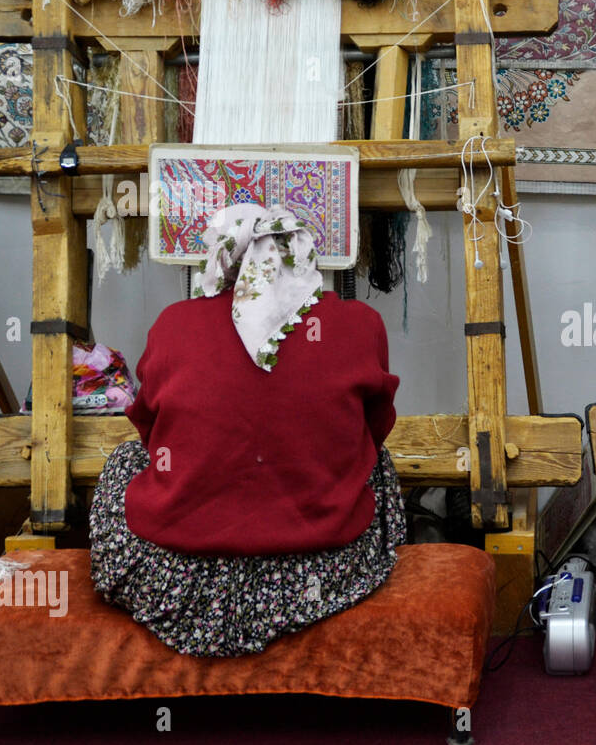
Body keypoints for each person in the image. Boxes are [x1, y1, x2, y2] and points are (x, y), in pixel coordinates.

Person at [89, 203, 405, 657]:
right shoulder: (360, 324)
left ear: (222, 257)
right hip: (321, 572)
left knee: (125, 460)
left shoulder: (173, 325)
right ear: (300, 253)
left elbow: (150, 428)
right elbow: (377, 427)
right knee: (372, 460)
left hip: (179, 578)